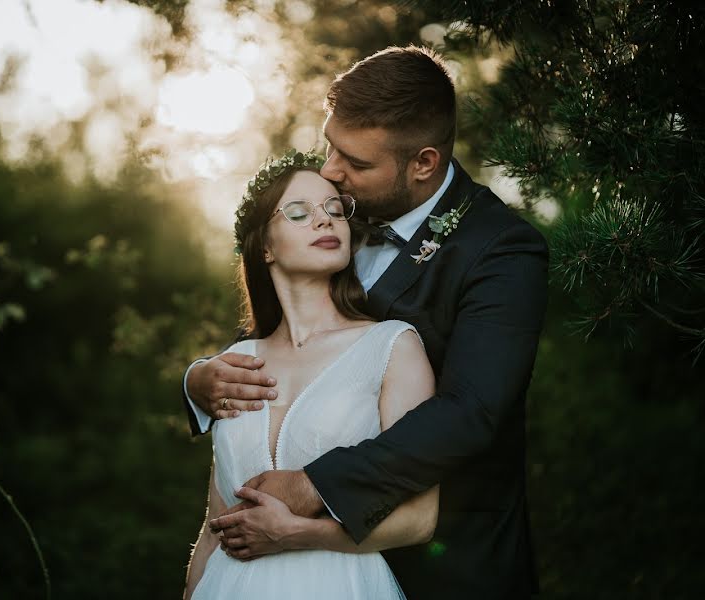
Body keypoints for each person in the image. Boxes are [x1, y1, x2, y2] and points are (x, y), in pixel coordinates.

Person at [185, 46, 548, 599]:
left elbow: (470, 412)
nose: (331, 171)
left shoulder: (500, 251)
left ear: (423, 163)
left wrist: (316, 486)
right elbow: (290, 337)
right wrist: (198, 380)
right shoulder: (335, 219)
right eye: (331, 146)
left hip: (443, 566)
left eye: (354, 162)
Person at [183, 150, 439, 599]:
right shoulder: (236, 365)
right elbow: (214, 527)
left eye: (335, 210)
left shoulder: (393, 347)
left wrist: (298, 533)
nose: (325, 222)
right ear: (264, 246)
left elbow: (419, 520)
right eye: (300, 213)